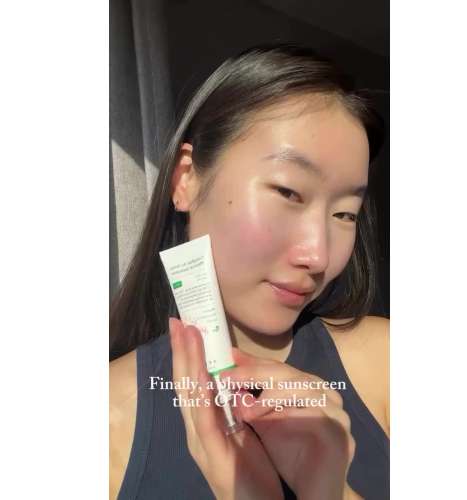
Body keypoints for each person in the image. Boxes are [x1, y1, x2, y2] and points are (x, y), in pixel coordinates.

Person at [110, 43, 389, 500]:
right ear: (186, 179)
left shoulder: (387, 362)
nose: (319, 256)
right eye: (288, 192)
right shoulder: (107, 419)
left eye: (345, 214)